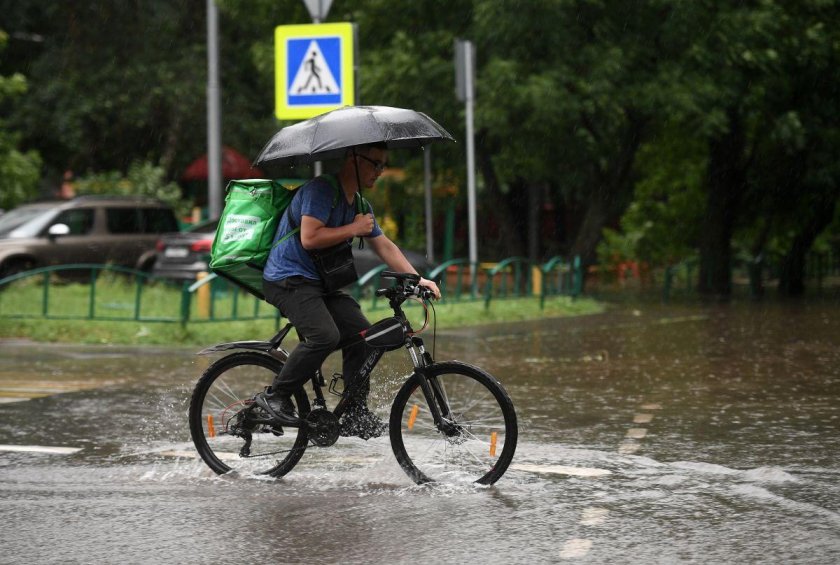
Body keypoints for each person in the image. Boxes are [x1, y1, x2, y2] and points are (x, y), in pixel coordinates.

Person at [257, 142, 441, 438]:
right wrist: (353, 229)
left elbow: (384, 245)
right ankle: (275, 397)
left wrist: (418, 280)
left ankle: (355, 413)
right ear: (353, 160)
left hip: (319, 285)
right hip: (287, 279)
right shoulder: (321, 191)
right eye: (375, 163)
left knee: (364, 337)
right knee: (324, 336)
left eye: (383, 165)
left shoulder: (358, 205)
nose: (380, 171)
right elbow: (310, 237)